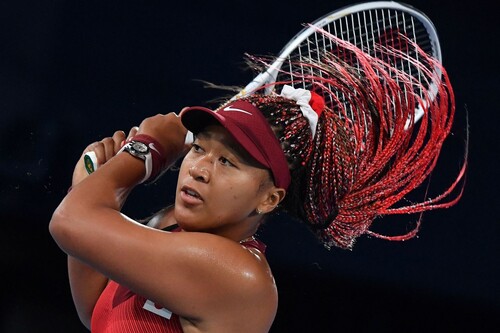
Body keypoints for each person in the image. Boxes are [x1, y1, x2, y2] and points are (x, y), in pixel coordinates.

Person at [49, 29, 465, 332]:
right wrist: (85, 182)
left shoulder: (237, 275)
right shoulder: (167, 226)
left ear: (269, 199)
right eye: (199, 148)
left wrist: (147, 151)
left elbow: (69, 223)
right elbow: (98, 312)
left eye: (228, 162)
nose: (198, 167)